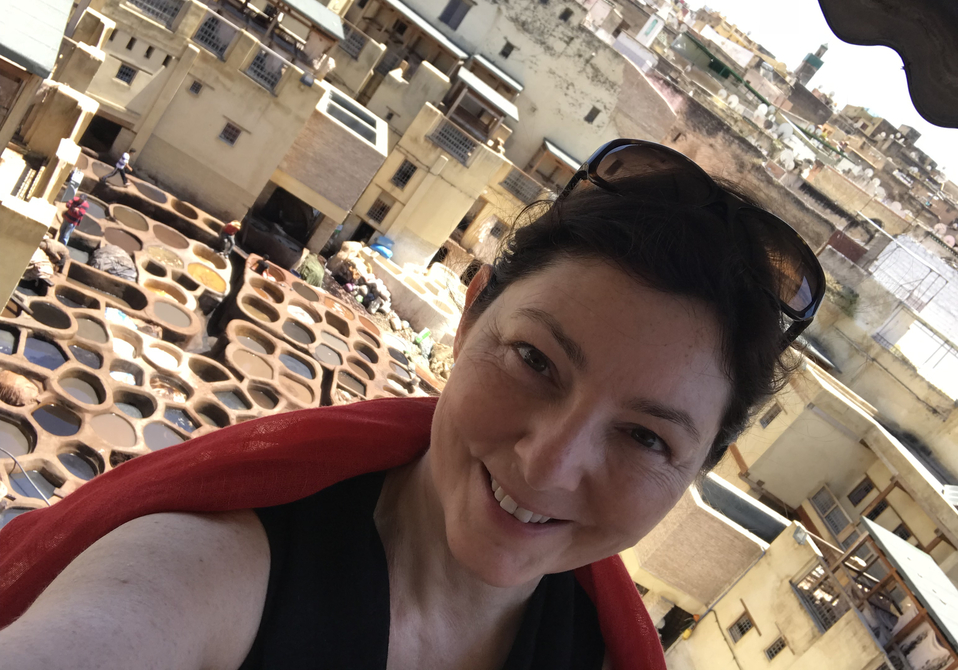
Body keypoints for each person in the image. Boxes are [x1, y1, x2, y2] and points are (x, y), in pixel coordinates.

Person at [0, 140, 825, 669]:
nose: (550, 462)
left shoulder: (598, 654)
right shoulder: (210, 569)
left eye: (645, 437)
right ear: (470, 318)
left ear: (699, 470)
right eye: (536, 360)